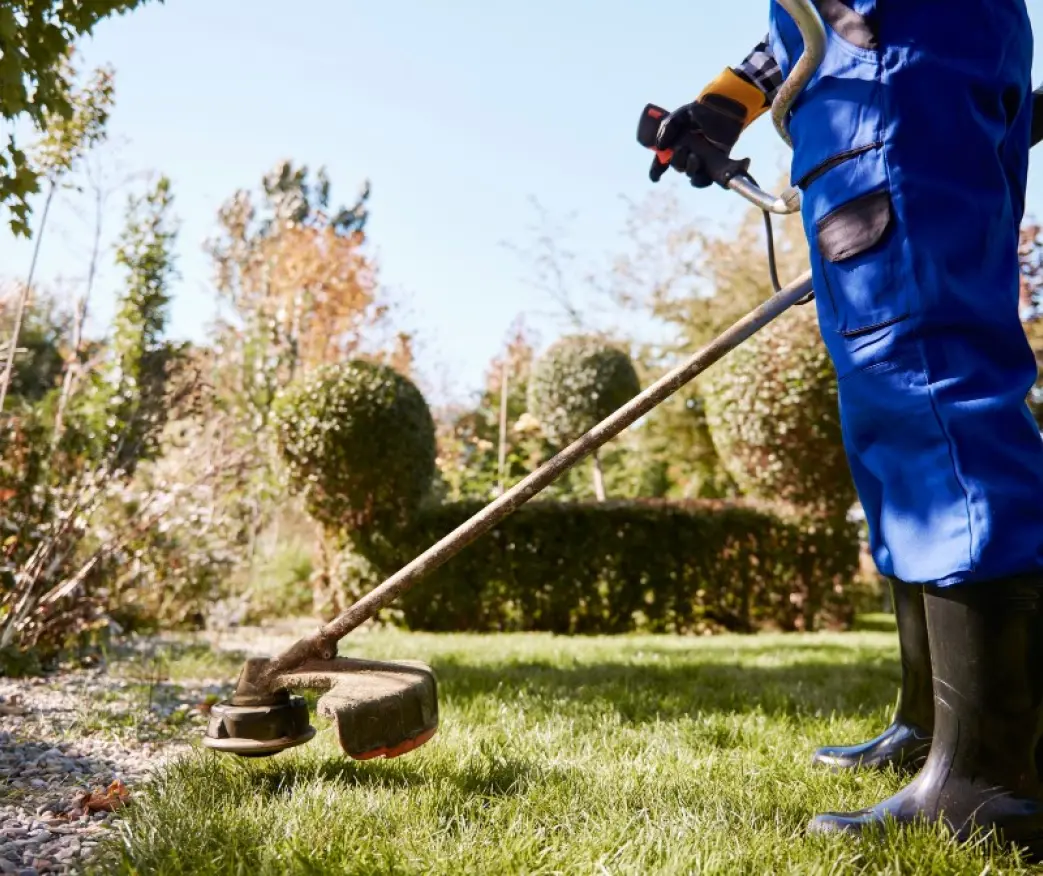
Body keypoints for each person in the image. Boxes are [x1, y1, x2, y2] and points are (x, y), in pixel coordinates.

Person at [648, 1, 1043, 854]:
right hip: (865, 75)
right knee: (887, 412)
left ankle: (991, 775)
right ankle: (929, 724)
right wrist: (725, 101)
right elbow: (801, 26)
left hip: (895, 64)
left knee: (926, 383)